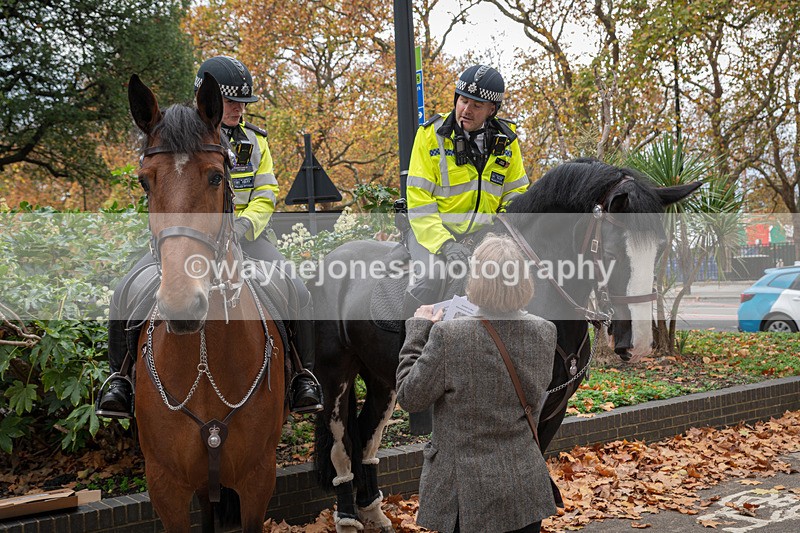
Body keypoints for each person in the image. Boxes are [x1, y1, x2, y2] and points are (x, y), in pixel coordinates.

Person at [96, 56, 322, 418]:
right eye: (231, 102)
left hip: (247, 236)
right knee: (126, 287)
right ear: (210, 99)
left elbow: (266, 194)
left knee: (296, 285)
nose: (237, 109)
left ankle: (302, 376)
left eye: (242, 104)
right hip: (189, 238)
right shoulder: (179, 135)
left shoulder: (255, 141)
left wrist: (244, 226)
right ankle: (119, 379)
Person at [396, 235, 557, 533]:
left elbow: (409, 397)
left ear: (477, 279)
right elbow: (534, 405)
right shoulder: (545, 332)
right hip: (525, 488)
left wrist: (418, 330)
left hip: (466, 497)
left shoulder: (449, 336)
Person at [402, 64, 530, 317]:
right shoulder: (430, 135)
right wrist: (445, 245)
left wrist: (498, 232)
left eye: (476, 105)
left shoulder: (508, 141)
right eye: (463, 101)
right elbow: (418, 198)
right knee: (432, 277)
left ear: (491, 110)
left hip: (484, 236)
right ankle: (407, 345)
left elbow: (516, 194)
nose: (466, 110)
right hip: (431, 234)